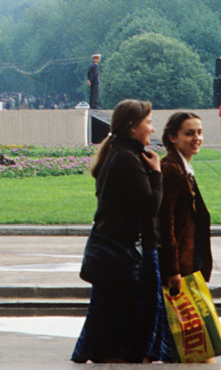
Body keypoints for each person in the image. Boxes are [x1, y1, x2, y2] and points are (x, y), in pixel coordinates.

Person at [71, 99, 172, 364]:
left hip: (112, 248)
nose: (152, 129)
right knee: (124, 318)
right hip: (123, 251)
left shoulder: (117, 151)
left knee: (109, 315)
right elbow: (149, 205)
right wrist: (157, 173)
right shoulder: (127, 158)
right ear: (131, 126)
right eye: (148, 122)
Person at [158, 112, 213, 301]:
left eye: (199, 132)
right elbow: (167, 223)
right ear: (172, 137)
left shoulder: (183, 168)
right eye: (189, 133)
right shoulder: (172, 170)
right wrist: (172, 270)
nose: (197, 138)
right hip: (181, 260)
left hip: (188, 255)